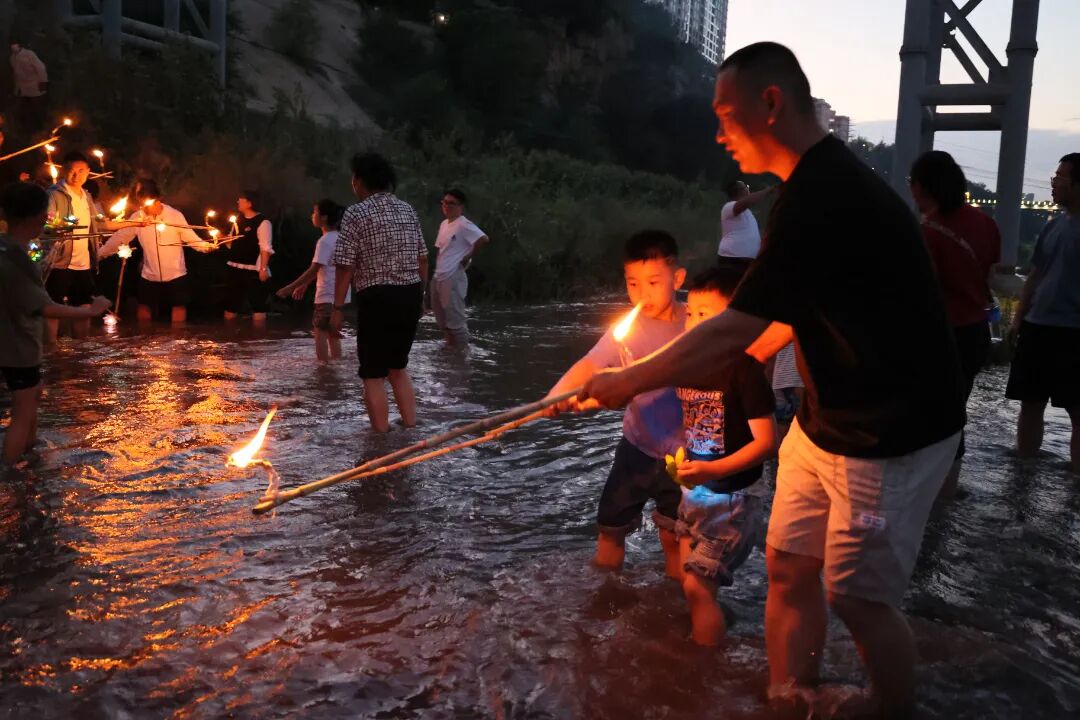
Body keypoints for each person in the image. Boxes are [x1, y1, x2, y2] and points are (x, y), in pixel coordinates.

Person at [582, 43, 964, 718]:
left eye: (726, 114)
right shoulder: (806, 190)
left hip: (892, 433)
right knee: (789, 568)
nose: (719, 132)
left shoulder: (826, 191)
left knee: (859, 596)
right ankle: (789, 698)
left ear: (770, 103)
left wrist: (631, 378)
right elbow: (786, 317)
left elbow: (734, 329)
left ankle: (890, 708)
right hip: (825, 421)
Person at [547, 230, 687, 577]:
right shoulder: (627, 328)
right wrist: (555, 396)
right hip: (636, 449)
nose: (642, 294)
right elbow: (590, 365)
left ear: (678, 277)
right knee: (610, 529)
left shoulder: (695, 321)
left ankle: (674, 611)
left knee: (674, 536)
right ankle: (604, 595)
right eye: (633, 284)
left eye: (653, 282)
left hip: (685, 456)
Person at [670, 265, 776, 646]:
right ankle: (709, 633)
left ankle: (702, 669)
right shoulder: (688, 365)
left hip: (732, 502)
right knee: (690, 583)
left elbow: (767, 443)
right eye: (691, 314)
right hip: (694, 495)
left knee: (698, 589)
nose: (695, 323)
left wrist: (711, 469)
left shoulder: (743, 372)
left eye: (707, 316)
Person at [910, 150, 1001, 497]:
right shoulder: (985, 223)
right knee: (953, 413)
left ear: (922, 188)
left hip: (937, 336)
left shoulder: (927, 232)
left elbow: (921, 290)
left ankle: (930, 495)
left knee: (927, 415)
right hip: (975, 333)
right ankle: (950, 488)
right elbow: (990, 271)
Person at [0, 182, 109, 467]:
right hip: (18, 347)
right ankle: (13, 476)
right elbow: (45, 307)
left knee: (32, 397)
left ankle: (30, 458)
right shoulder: (16, 259)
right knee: (23, 413)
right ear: (38, 216)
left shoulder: (5, 246)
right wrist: (90, 311)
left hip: (14, 344)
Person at [331, 153, 427, 433]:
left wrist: (337, 309)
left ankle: (381, 440)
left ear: (358, 181)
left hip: (377, 296)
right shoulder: (407, 210)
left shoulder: (355, 213)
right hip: (410, 294)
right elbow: (423, 258)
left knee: (373, 373)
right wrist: (423, 297)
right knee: (398, 367)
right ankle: (411, 428)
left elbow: (345, 265)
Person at [1005, 153, 1080, 474]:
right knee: (1030, 403)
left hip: (1074, 332)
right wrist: (1019, 318)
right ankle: (1023, 471)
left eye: (1060, 179)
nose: (1054, 183)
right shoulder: (1053, 226)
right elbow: (1035, 274)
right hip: (1037, 327)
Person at [98, 179, 214, 324]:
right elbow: (120, 238)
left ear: (158, 199)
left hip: (176, 273)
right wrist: (99, 254)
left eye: (150, 202)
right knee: (144, 306)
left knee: (178, 306)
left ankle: (177, 342)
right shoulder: (137, 218)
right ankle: (145, 339)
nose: (146, 207)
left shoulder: (174, 215)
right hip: (149, 273)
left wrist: (206, 247)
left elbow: (190, 237)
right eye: (142, 202)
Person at [276, 199, 346, 363]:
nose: (312, 215)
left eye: (315, 212)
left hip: (327, 293)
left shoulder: (324, 241)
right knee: (332, 333)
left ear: (323, 218)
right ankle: (335, 367)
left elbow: (314, 268)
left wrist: (289, 288)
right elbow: (325, 267)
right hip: (339, 294)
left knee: (320, 332)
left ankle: (323, 370)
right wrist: (304, 285)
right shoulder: (340, 238)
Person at [44, 151, 100, 343]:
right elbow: (46, 226)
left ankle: (80, 351)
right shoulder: (54, 194)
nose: (76, 175)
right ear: (63, 171)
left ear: (88, 172)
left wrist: (134, 223)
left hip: (82, 262)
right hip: (60, 261)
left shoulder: (86, 196)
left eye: (81, 171)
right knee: (53, 306)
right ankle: (51, 349)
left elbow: (100, 224)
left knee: (83, 306)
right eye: (71, 171)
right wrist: (62, 227)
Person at [431, 189, 489, 346]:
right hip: (439, 276)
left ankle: (462, 357)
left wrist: (467, 257)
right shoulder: (444, 224)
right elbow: (441, 251)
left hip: (453, 277)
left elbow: (483, 238)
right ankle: (450, 353)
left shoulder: (463, 224)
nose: (446, 206)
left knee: (456, 323)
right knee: (442, 321)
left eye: (451, 203)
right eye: (444, 202)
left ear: (460, 206)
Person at [224, 190, 273, 322]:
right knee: (230, 306)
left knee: (258, 307)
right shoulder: (238, 219)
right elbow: (231, 243)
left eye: (241, 199)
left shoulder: (263, 222)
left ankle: (258, 339)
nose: (238, 201)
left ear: (250, 203)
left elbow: (265, 248)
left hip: (253, 270)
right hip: (235, 267)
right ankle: (230, 339)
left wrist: (263, 269)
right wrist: (219, 238)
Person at [717, 180, 774, 265]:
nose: (748, 189)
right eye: (746, 187)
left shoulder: (747, 212)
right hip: (733, 259)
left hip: (747, 261)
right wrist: (767, 191)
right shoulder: (728, 207)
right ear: (740, 191)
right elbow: (748, 201)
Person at [9, 39, 47, 127]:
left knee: (38, 109)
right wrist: (17, 89)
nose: (12, 47)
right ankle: (28, 129)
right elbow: (16, 74)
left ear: (19, 45)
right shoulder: (12, 58)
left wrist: (43, 82)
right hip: (23, 88)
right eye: (11, 45)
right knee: (26, 110)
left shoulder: (29, 54)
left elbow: (41, 68)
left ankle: (42, 128)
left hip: (34, 86)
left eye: (14, 44)